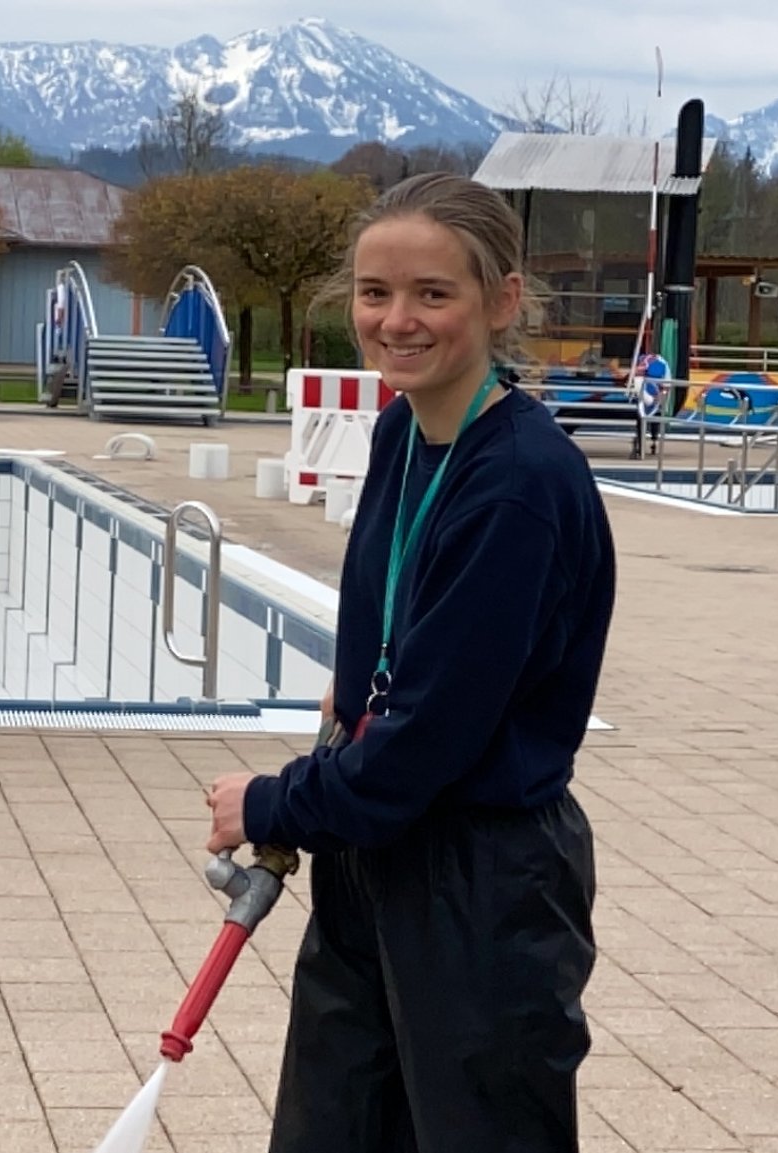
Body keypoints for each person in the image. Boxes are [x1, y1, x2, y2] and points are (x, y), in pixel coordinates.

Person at [201, 171, 617, 1152]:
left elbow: (427, 741)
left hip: (481, 879)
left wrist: (273, 802)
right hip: (374, 858)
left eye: (433, 293)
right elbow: (375, 655)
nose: (396, 321)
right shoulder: (401, 430)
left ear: (502, 299)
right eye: (373, 292)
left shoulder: (515, 487)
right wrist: (339, 736)